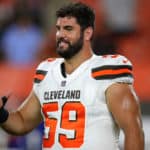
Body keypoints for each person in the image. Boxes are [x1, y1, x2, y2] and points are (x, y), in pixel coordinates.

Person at [0, 2, 144, 150]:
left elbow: (133, 131)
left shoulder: (107, 72)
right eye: (58, 29)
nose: (61, 35)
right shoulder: (47, 72)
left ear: (87, 33)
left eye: (68, 29)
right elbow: (22, 122)